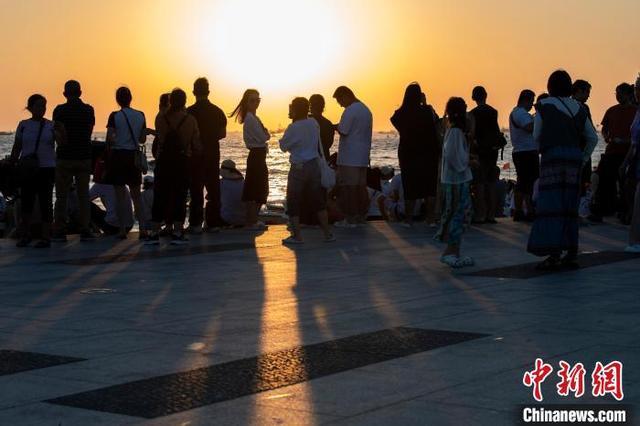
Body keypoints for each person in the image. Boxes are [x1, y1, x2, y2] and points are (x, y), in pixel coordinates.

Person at [528, 70, 598, 269]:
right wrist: (583, 158)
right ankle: (572, 252)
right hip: (574, 159)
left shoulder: (544, 106)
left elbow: (536, 135)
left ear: (550, 86)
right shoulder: (579, 108)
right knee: (570, 205)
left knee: (551, 205)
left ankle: (553, 253)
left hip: (553, 159)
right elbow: (592, 137)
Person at [147, 88, 201, 245]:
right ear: (185, 102)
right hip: (182, 161)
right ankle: (178, 232)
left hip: (163, 161)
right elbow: (196, 144)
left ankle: (154, 232)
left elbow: (160, 139)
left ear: (170, 101)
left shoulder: (161, 119)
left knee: (160, 196)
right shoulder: (190, 120)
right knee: (180, 196)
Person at [279, 97, 335, 244]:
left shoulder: (293, 127)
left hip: (299, 168)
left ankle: (297, 236)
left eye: (291, 107)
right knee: (318, 201)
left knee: (293, 201)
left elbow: (283, 146)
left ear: (295, 109)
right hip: (314, 165)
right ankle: (327, 234)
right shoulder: (313, 123)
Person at [10, 94, 59, 247]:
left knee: (46, 202)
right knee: (26, 202)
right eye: (39, 105)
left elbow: (62, 144)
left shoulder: (51, 125)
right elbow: (17, 147)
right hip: (28, 169)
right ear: (30, 108)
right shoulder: (23, 125)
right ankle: (25, 234)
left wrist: (61, 131)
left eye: (44, 105)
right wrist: (12, 163)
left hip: (47, 168)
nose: (42, 109)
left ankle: (46, 236)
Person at [51, 80, 96, 242]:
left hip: (65, 157)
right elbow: (89, 131)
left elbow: (58, 134)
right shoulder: (89, 110)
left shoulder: (59, 110)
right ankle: (85, 228)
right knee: (84, 196)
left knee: (61, 196)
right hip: (84, 156)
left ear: (65, 94)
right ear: (80, 93)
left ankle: (60, 228)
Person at [390, 82, 440, 227]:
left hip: (408, 153)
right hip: (429, 153)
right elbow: (436, 122)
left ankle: (408, 219)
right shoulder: (427, 111)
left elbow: (395, 122)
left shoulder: (400, 113)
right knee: (429, 187)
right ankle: (430, 220)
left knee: (410, 186)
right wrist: (425, 104)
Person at [435, 97, 474, 268]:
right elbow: (452, 154)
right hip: (456, 180)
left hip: (456, 179)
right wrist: (467, 162)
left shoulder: (453, 131)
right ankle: (449, 251)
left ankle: (455, 251)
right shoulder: (456, 131)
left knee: (460, 214)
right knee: (457, 214)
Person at [589, 83, 637, 223]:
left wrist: (625, 140)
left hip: (628, 153)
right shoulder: (611, 110)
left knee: (626, 184)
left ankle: (625, 212)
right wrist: (606, 136)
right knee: (603, 180)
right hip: (611, 151)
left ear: (628, 95)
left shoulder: (635, 111)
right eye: (616, 93)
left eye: (620, 93)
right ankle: (602, 209)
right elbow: (604, 128)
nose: (618, 96)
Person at [186, 77, 227, 234]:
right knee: (213, 189)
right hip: (212, 153)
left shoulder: (189, 112)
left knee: (196, 190)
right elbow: (222, 134)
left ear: (194, 92)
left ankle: (195, 223)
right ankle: (213, 222)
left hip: (195, 155)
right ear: (208, 91)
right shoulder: (217, 111)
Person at [104, 87, 146, 239]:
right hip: (134, 157)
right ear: (131, 98)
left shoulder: (115, 116)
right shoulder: (140, 115)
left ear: (117, 99)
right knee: (137, 195)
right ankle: (143, 228)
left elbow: (110, 137)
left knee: (120, 196)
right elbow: (142, 139)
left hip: (119, 156)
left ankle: (122, 229)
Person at [229, 89, 270, 230]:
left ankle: (252, 220)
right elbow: (264, 137)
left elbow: (264, 135)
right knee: (258, 188)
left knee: (257, 187)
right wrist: (266, 133)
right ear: (246, 102)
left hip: (257, 155)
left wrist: (265, 133)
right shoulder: (251, 119)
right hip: (256, 155)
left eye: (258, 99)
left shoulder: (253, 117)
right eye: (252, 100)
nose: (256, 102)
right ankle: (252, 221)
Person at [333, 86, 373, 227]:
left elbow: (344, 130)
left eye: (339, 100)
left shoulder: (350, 110)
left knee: (348, 188)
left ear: (345, 96)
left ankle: (350, 219)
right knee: (360, 188)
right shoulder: (366, 110)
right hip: (362, 156)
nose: (340, 104)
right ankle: (361, 217)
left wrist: (334, 126)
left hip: (349, 157)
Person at [469, 86, 501, 224]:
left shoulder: (472, 113)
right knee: (491, 183)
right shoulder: (493, 111)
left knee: (479, 184)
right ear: (486, 95)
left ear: (473, 97)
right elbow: (496, 130)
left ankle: (480, 215)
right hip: (492, 151)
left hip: (479, 151)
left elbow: (472, 133)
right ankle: (491, 215)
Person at [509, 89, 538, 221]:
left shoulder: (518, 113)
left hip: (524, 152)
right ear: (525, 100)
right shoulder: (520, 113)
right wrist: (539, 117)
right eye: (531, 101)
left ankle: (520, 210)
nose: (532, 105)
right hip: (525, 152)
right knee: (525, 183)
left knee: (525, 182)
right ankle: (524, 210)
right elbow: (529, 127)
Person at [623, 75, 640, 252]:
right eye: (635, 88)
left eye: (638, 88)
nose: (636, 92)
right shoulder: (637, 111)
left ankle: (635, 240)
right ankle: (634, 240)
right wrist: (626, 162)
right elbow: (634, 142)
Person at [572, 79, 594, 197]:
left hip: (577, 147)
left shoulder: (582, 107)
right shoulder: (582, 108)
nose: (588, 96)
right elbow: (590, 130)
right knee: (582, 178)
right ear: (579, 91)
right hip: (581, 148)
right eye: (587, 92)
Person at [219, 159, 246, 227]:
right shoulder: (243, 182)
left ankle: (208, 228)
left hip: (227, 219)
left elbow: (209, 197)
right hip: (243, 219)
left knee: (211, 203)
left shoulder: (221, 183)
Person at [309, 94, 335, 159]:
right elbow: (328, 144)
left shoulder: (305, 122)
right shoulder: (328, 123)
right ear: (323, 106)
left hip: (308, 160)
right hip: (323, 159)